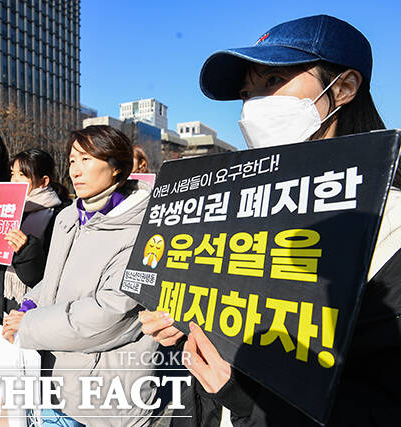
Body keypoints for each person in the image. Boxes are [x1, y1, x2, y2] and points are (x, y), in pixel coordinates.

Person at [139, 15, 401, 426]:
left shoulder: (389, 227)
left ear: (344, 88)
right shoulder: (232, 209)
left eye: (273, 80)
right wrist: (188, 312)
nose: (253, 105)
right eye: (247, 91)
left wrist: (244, 398)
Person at [1, 125, 158, 426]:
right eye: (72, 160)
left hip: (104, 395)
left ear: (116, 167)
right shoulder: (68, 216)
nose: (75, 169)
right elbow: (55, 276)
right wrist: (28, 306)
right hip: (55, 380)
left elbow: (112, 313)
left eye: (86, 159)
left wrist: (30, 325)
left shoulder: (144, 229)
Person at [0, 148, 69, 320]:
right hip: (3, 296)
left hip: (34, 306)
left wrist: (25, 250)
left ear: (44, 181)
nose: (14, 180)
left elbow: (49, 273)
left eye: (22, 174)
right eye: (12, 173)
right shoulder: (7, 210)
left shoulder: (60, 215)